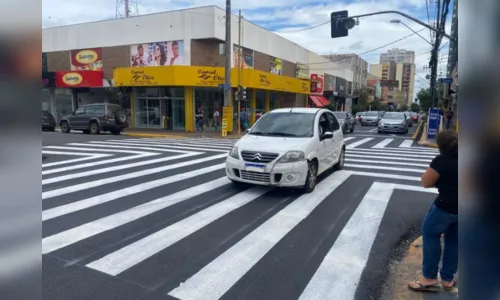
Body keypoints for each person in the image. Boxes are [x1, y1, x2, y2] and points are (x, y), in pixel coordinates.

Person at [408, 129, 458, 293]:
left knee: (430, 233)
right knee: (454, 241)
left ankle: (429, 278)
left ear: (441, 146)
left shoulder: (442, 161)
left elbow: (426, 182)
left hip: (445, 206)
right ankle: (448, 279)